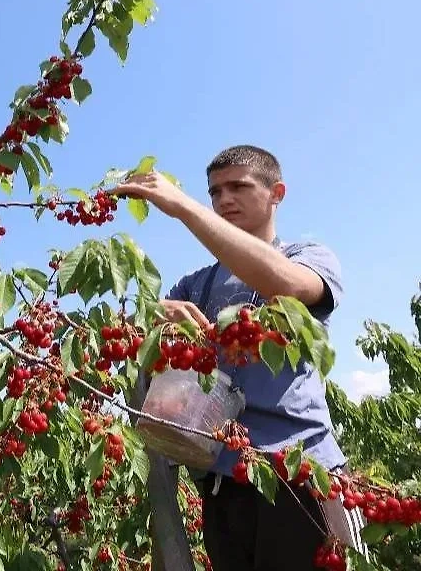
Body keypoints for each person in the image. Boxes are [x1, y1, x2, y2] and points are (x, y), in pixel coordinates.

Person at [111, 145, 368, 570]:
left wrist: (186, 209)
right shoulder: (196, 284)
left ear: (276, 193)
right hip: (225, 480)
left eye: (238, 187)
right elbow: (135, 335)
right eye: (214, 192)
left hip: (299, 476)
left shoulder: (308, 257)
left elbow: (289, 286)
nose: (223, 199)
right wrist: (157, 312)